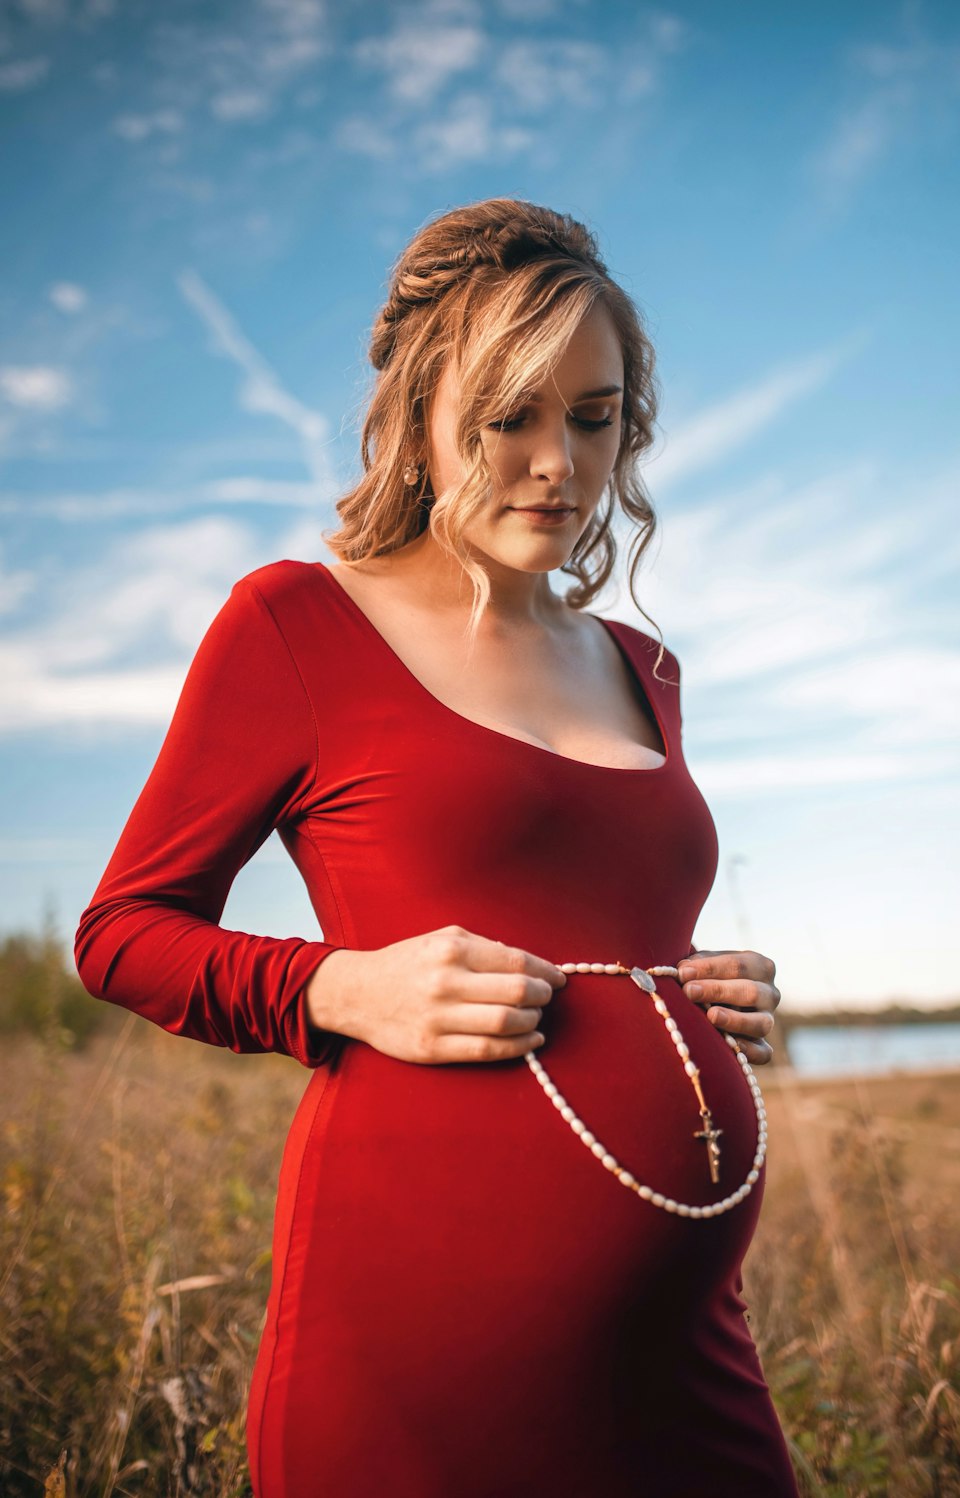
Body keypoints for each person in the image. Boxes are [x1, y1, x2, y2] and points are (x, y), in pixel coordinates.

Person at [75, 198, 798, 1497]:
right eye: (508, 415)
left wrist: (695, 982)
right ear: (421, 414)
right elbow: (122, 933)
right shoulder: (295, 623)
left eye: (594, 416)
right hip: (421, 1357)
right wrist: (342, 986)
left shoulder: (646, 666)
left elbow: (592, 906)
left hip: (687, 1352)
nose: (558, 464)